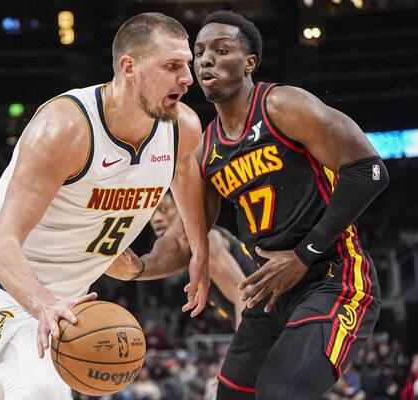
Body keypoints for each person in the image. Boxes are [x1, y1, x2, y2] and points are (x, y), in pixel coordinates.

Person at [114, 10, 390, 399]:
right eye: (200, 52)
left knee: (280, 392)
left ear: (249, 62)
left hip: (334, 279)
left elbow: (370, 171)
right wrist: (139, 267)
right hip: (270, 293)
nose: (206, 60)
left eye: (221, 50)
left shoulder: (283, 106)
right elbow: (184, 240)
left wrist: (303, 255)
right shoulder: (206, 149)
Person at [0, 12, 210, 399]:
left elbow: (185, 178)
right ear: (128, 67)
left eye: (187, 65)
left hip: (66, 292)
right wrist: (43, 305)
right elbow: (0, 245)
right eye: (171, 67)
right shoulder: (66, 129)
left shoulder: (182, 129)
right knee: (42, 390)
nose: (187, 78)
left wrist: (200, 253)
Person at [149, 192, 257, 328]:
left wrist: (244, 340)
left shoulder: (207, 243)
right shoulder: (193, 247)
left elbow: (244, 294)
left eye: (164, 209)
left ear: (182, 209)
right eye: (151, 214)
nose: (156, 219)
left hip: (270, 318)